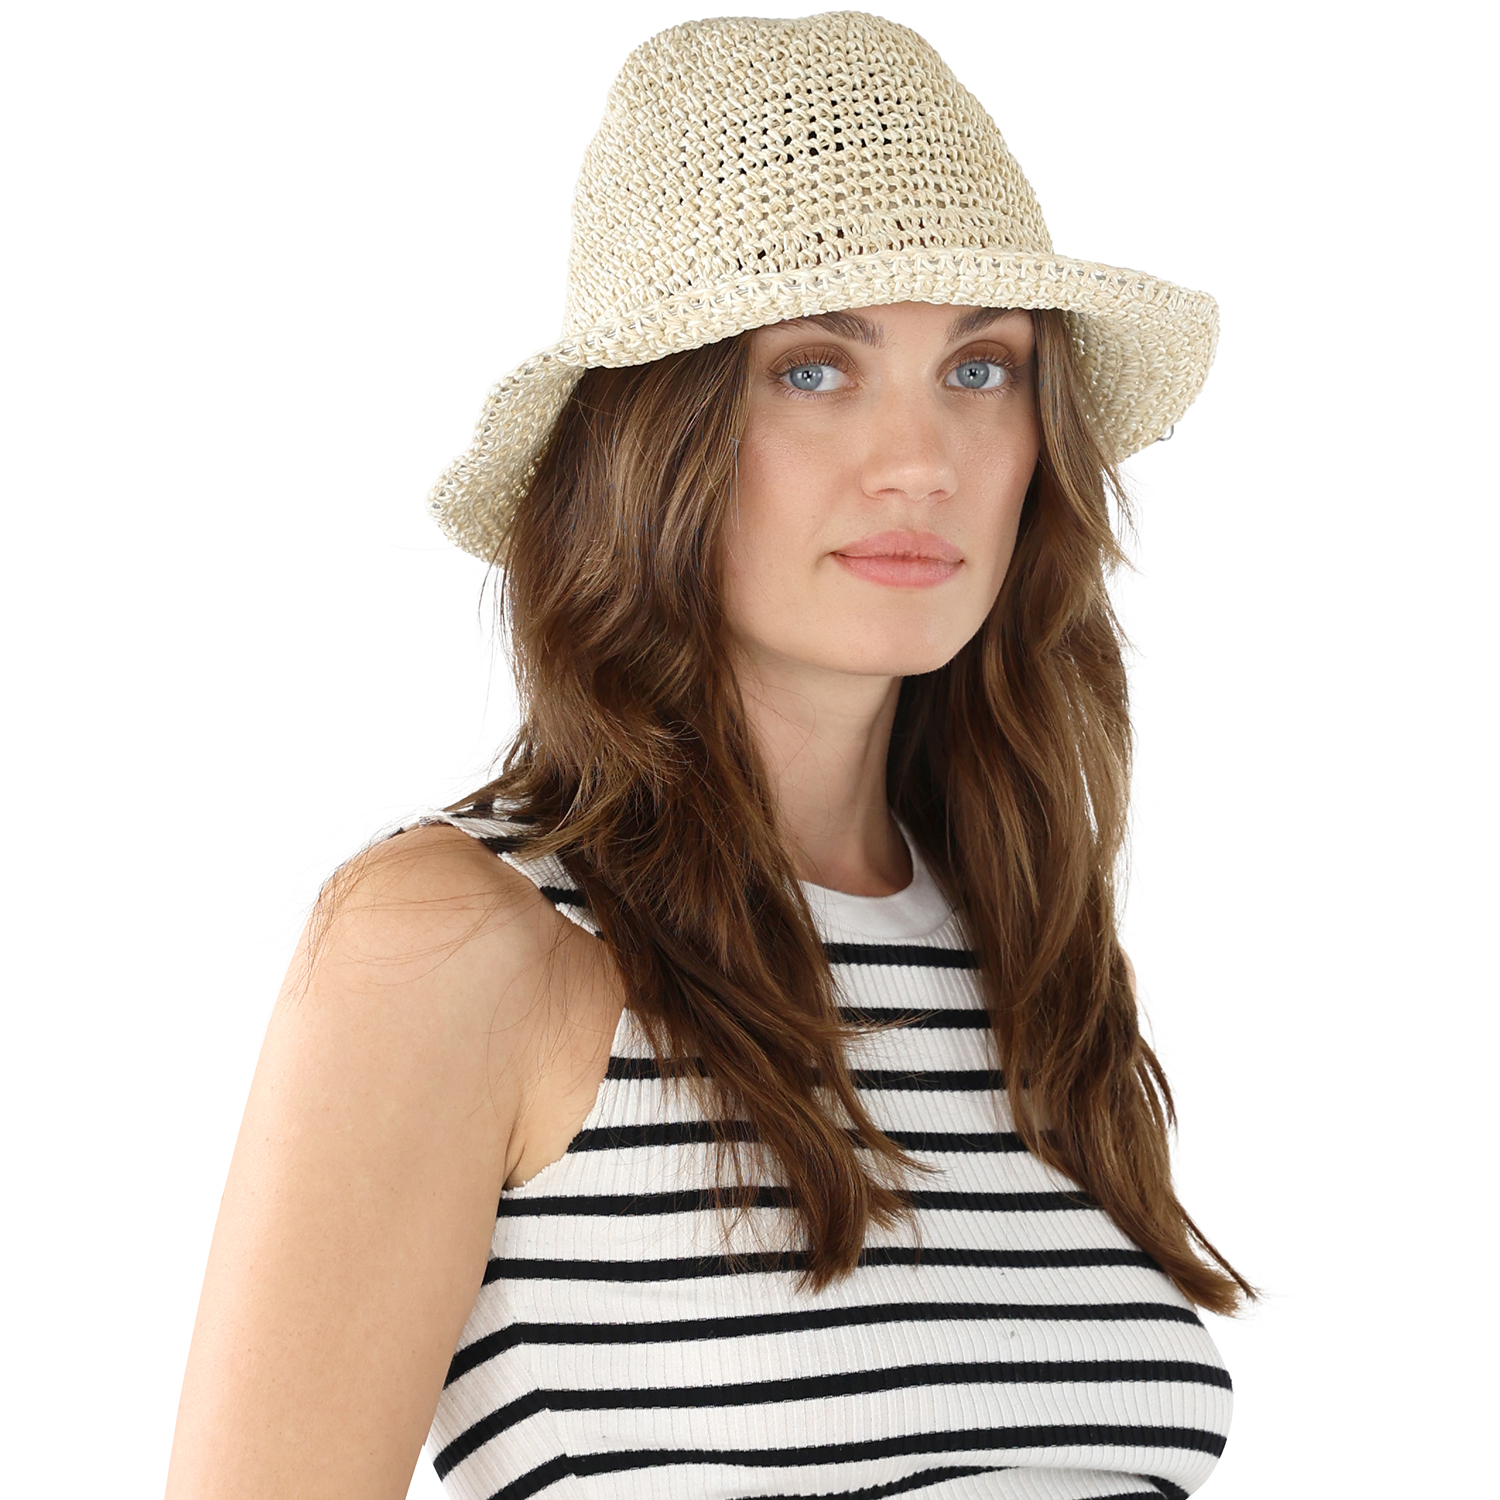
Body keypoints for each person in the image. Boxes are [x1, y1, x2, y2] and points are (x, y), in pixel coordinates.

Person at [166, 12, 1250, 1499]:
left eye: (981, 368)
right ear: (649, 440)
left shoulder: (1028, 947)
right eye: (812, 368)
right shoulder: (464, 944)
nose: (920, 460)